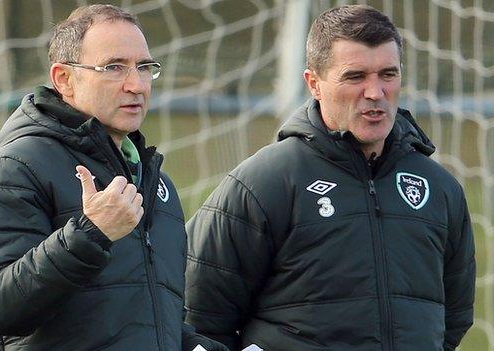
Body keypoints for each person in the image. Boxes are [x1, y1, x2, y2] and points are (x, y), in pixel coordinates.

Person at [184, 5, 475, 351]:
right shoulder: (263, 183)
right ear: (314, 84)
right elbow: (199, 319)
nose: (375, 92)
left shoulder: (438, 188)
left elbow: (453, 318)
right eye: (355, 76)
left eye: (388, 74)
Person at [0, 4, 227, 351]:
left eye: (144, 67)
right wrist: (90, 234)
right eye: (114, 67)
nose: (136, 85)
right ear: (64, 80)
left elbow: (145, 319)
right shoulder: (20, 165)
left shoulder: (155, 182)